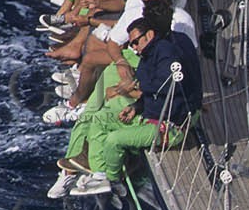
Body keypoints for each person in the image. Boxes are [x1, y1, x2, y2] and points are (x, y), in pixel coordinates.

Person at [71, 16, 203, 196]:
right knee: (100, 119)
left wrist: (134, 86)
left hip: (169, 128)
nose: (133, 47)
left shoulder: (167, 58)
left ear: (149, 35)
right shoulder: (148, 58)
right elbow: (151, 95)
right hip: (149, 117)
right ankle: (100, 173)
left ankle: (114, 180)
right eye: (131, 44)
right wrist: (135, 107)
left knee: (114, 140)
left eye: (135, 42)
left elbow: (164, 87)